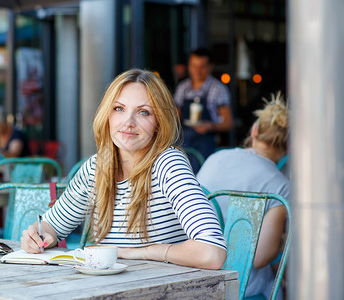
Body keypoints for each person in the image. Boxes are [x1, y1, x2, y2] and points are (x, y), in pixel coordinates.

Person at [21, 69, 226, 269]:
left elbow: (212, 252)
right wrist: (37, 235)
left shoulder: (167, 164)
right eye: (119, 109)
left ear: (158, 123)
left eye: (143, 112)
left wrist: (142, 252)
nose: (128, 122)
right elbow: (51, 227)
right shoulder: (95, 168)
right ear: (107, 115)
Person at [197, 92, 290, 299]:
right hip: (242, 288)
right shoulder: (280, 185)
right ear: (287, 147)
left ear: (254, 131)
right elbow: (260, 258)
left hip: (197, 278)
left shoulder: (216, 157)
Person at [173, 48, 234, 172]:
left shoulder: (218, 89)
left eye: (202, 67)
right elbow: (175, 115)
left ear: (210, 67)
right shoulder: (183, 87)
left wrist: (209, 126)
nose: (197, 71)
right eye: (193, 66)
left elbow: (229, 123)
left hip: (206, 142)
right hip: (183, 140)